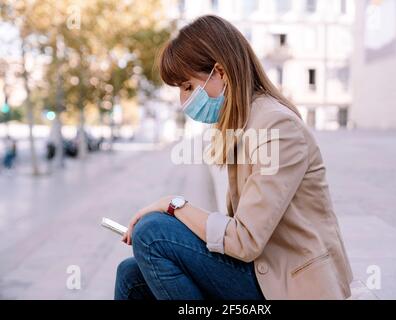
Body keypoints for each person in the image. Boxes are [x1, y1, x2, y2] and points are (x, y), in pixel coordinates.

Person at [114, 15, 353, 300]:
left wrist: (173, 205)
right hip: (261, 272)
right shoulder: (246, 123)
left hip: (290, 287)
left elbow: (244, 240)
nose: (183, 101)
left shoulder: (277, 126)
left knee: (153, 232)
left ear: (221, 73)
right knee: (130, 275)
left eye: (188, 86)